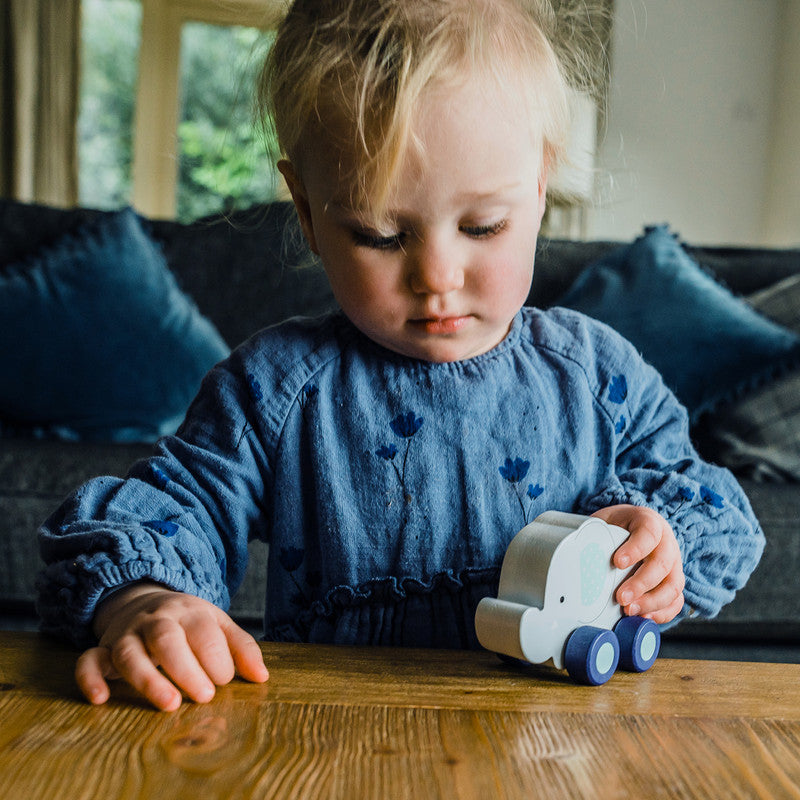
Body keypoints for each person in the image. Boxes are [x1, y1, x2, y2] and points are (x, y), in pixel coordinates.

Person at [38, 0, 764, 711]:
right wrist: (145, 599)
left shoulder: (598, 375)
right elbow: (170, 509)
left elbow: (709, 502)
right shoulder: (274, 389)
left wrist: (663, 540)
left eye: (483, 226)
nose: (436, 277)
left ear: (540, 190)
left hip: (556, 746)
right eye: (382, 236)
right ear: (307, 213)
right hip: (332, 741)